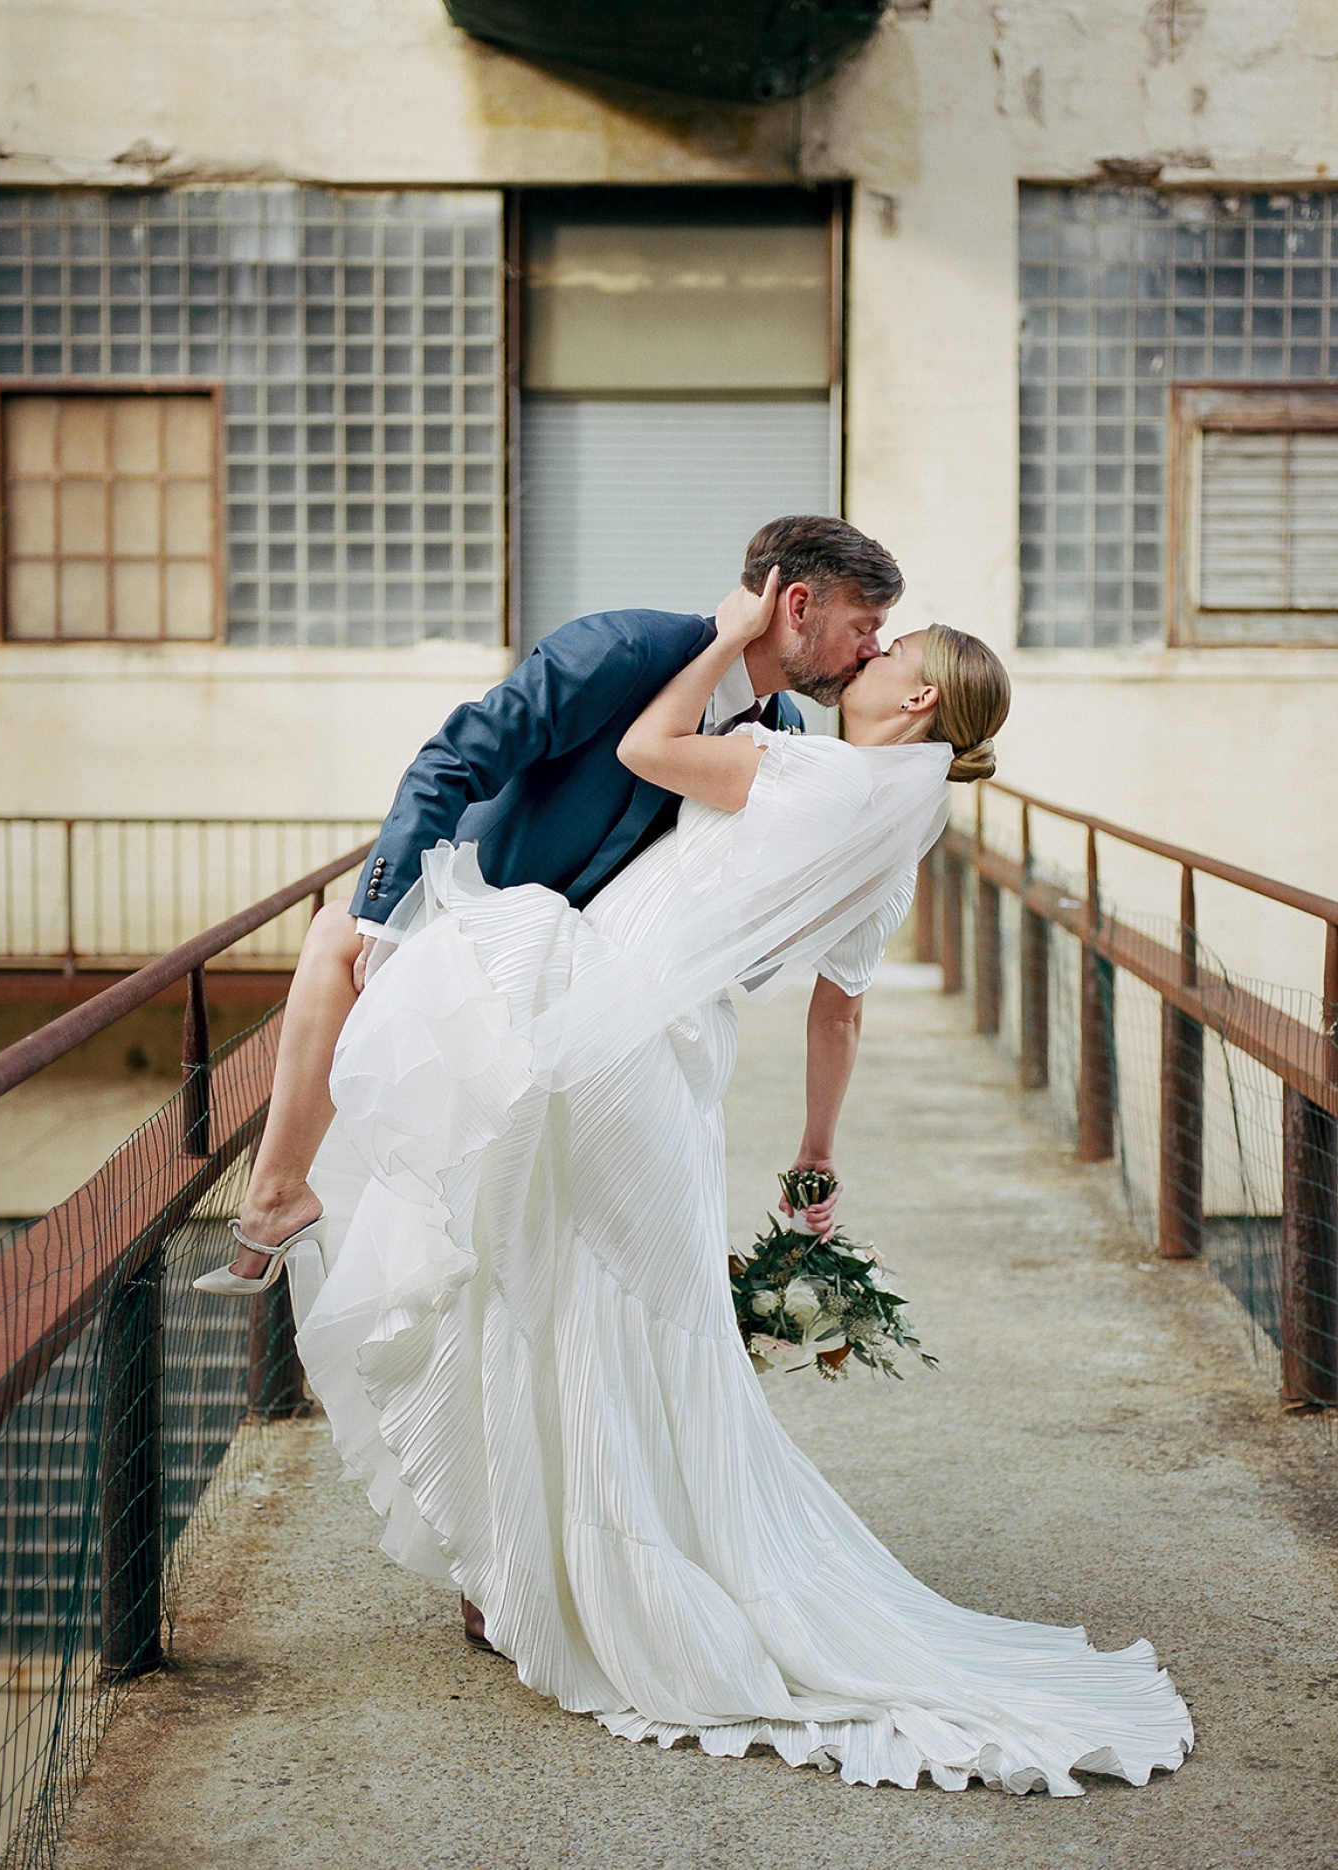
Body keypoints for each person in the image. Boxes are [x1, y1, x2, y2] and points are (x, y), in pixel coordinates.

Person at [276, 581, 1194, 1795]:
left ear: (913, 695)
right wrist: (813, 1161)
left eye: (890, 645)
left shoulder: (806, 771)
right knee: (620, 1326)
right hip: (671, 1068)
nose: (871, 648)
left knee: (544, 1290)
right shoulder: (895, 829)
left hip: (601, 1028)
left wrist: (718, 636)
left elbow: (645, 750)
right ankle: (539, 1573)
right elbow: (840, 1007)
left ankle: (548, 1573)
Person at [193, 515, 900, 1294]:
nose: (870, 649)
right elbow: (453, 759)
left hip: (599, 983)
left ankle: (285, 1204)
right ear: (796, 605)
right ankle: (281, 1197)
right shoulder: (623, 650)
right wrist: (388, 921)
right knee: (342, 929)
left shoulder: (787, 733)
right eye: (864, 627)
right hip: (495, 914)